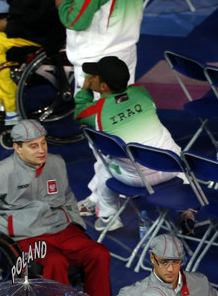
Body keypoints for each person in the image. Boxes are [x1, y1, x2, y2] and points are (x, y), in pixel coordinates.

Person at [0, 119, 111, 296]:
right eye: (33, 146)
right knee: (55, 261)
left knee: (99, 253)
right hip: (23, 236)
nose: (41, 150)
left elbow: (68, 197)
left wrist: (77, 226)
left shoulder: (57, 163)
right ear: (17, 147)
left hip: (60, 229)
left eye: (43, 143)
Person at [73, 55, 182, 231]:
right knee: (175, 150)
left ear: (103, 86)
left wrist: (85, 90)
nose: (90, 77)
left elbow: (79, 113)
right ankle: (187, 210)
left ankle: (108, 217)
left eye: (94, 76)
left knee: (105, 170)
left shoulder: (95, 112)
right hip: (172, 168)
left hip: (135, 179)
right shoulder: (141, 91)